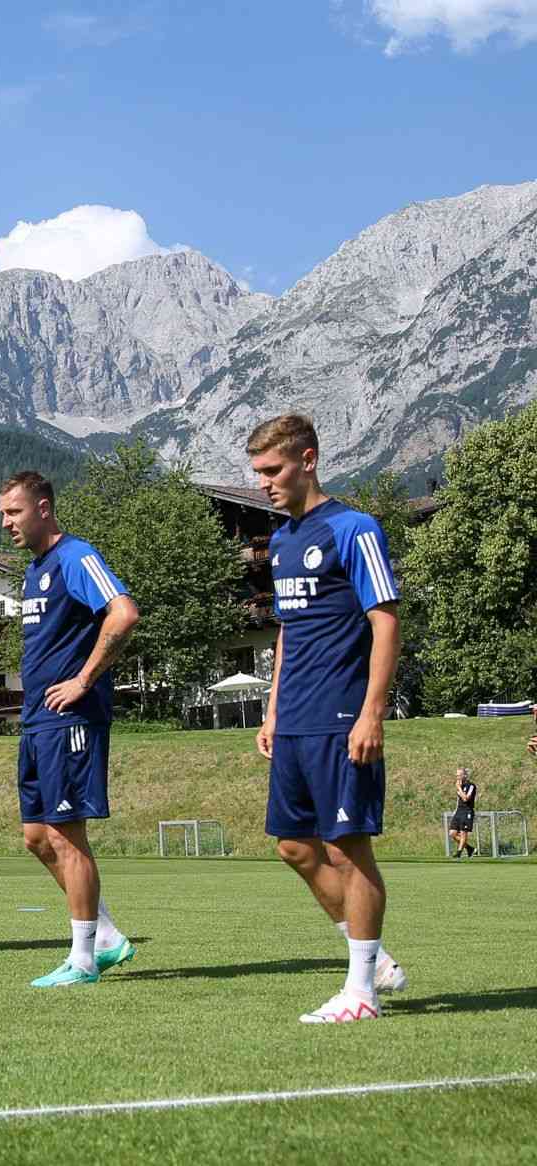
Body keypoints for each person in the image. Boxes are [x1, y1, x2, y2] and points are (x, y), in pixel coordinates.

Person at [249, 414, 411, 1023]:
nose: (264, 482)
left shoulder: (354, 528)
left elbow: (386, 622)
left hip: (343, 715)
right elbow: (288, 629)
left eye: (273, 470)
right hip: (294, 718)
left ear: (308, 460)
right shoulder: (284, 541)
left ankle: (362, 990)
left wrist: (372, 713)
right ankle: (374, 959)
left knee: (347, 848)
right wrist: (271, 705)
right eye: (258, 472)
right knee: (294, 845)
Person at [0, 470, 139, 987]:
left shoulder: (76, 556)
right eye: (2, 515)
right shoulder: (36, 570)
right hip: (38, 722)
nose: (6, 523)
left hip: (71, 718)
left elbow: (123, 613)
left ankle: (83, 959)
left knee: (66, 834)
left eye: (13, 512)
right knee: (37, 836)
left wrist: (83, 679)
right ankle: (104, 935)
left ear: (43, 507)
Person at [449, 767, 479, 858]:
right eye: (456, 775)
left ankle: (459, 853)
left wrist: (459, 788)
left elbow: (466, 798)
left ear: (465, 775)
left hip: (467, 811)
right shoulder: (459, 785)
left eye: (459, 775)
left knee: (463, 832)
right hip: (459, 811)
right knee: (452, 833)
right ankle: (470, 849)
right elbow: (459, 800)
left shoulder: (471, 786)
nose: (457, 777)